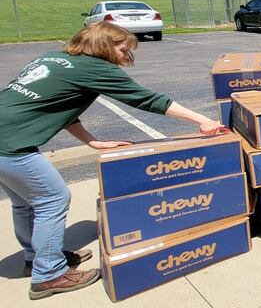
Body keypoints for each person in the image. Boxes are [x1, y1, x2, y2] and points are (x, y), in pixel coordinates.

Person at [0, 22, 224, 300]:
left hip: (5, 139)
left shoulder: (55, 57)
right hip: (9, 145)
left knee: (25, 203)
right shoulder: (95, 67)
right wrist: (203, 120)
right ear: (105, 45)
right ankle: (49, 275)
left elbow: (61, 105)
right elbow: (146, 99)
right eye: (123, 48)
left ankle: (37, 257)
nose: (127, 54)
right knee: (52, 200)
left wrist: (91, 141)